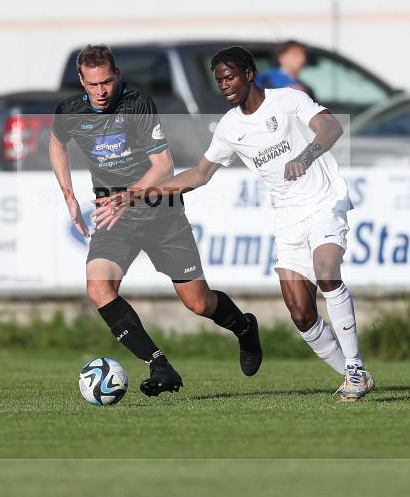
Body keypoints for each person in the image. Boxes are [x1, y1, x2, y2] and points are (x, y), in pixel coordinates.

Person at [101, 45, 373, 401]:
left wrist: (305, 157)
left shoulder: (288, 101)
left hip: (324, 201)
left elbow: (330, 128)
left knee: (326, 271)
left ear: (248, 73)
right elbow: (199, 174)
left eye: (229, 77)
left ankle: (354, 367)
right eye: (218, 81)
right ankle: (356, 376)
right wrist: (136, 194)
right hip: (288, 217)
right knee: (301, 313)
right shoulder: (230, 127)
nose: (224, 86)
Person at [50, 44, 263, 398]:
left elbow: (163, 166)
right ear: (81, 82)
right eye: (92, 85)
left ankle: (243, 327)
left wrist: (126, 196)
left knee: (198, 302)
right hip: (115, 216)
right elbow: (57, 143)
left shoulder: (137, 104)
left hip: (159, 213)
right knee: (98, 288)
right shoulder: (70, 111)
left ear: (116, 75)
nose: (101, 92)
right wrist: (69, 196)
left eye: (106, 82)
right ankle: (159, 364)